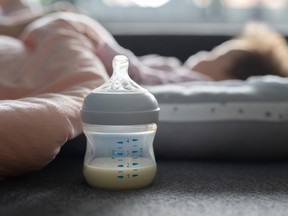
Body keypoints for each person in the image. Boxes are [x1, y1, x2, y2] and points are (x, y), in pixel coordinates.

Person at [0, 9, 288, 179]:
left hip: (100, 70)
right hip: (76, 62)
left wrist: (106, 48)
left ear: (228, 79)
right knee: (63, 21)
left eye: (216, 54)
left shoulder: (194, 80)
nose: (203, 53)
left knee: (71, 21)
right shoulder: (180, 68)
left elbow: (134, 75)